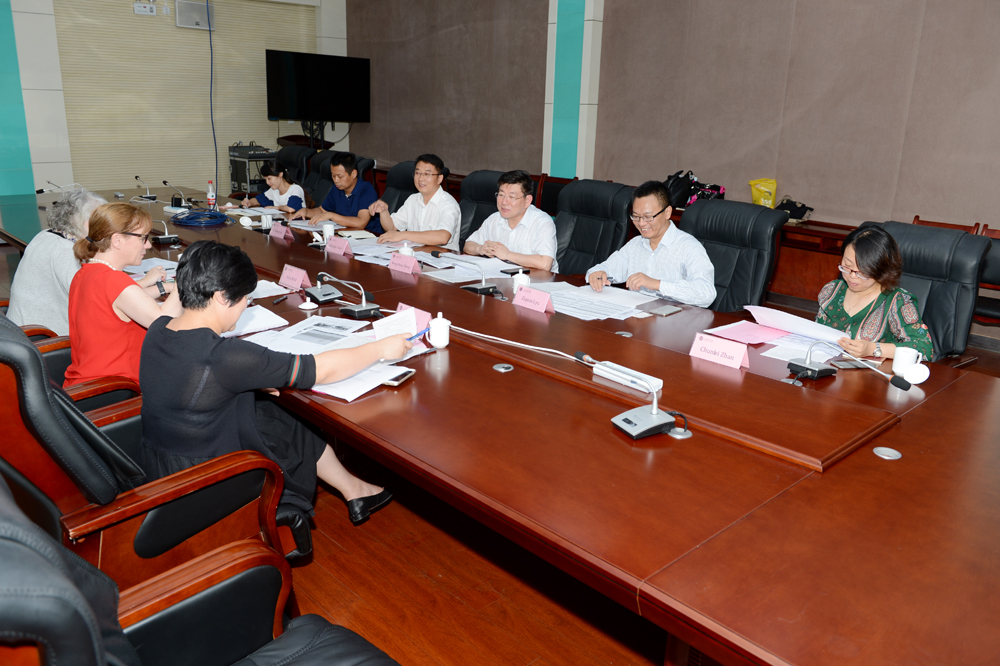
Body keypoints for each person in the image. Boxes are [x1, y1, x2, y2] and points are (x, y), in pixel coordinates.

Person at [138, 240, 412, 523]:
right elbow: (320, 370)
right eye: (245, 297)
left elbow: (190, 380)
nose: (245, 305)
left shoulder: (159, 328)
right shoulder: (225, 356)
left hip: (164, 469)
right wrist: (380, 349)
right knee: (281, 416)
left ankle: (354, 490)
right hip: (210, 483)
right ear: (221, 297)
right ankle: (351, 490)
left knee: (273, 412)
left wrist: (248, 379)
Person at [63, 202, 182, 387]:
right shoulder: (114, 280)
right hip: (117, 391)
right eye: (143, 238)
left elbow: (122, 300)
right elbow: (166, 324)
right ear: (117, 240)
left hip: (86, 385)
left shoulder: (86, 273)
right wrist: (185, 280)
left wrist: (166, 288)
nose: (148, 245)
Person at [586, 180, 716, 307]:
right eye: (636, 216)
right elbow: (605, 268)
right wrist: (597, 274)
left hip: (675, 318)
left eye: (648, 217)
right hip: (636, 316)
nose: (641, 223)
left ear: (667, 212)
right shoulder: (635, 244)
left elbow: (707, 293)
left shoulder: (689, 247)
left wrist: (657, 284)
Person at [817, 225, 933, 360]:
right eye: (847, 266)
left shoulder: (898, 302)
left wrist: (873, 349)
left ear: (881, 269)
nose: (852, 276)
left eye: (863, 271)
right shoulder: (831, 291)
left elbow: (924, 348)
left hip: (869, 373)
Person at [7, 189, 106, 335]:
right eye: (99, 221)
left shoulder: (44, 235)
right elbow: (95, 301)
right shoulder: (68, 252)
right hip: (44, 338)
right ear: (80, 221)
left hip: (19, 331)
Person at [463, 170, 558, 272]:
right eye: (501, 195)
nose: (504, 202)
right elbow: (468, 245)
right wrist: (481, 248)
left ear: (527, 201)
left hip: (536, 280)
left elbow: (545, 264)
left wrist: (507, 254)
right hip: (502, 277)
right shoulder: (494, 219)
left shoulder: (542, 223)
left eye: (512, 197)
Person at [368, 154, 461, 251]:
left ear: (439, 179)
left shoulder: (449, 204)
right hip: (415, 254)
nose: (421, 179)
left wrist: (403, 235)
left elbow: (443, 237)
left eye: (427, 174)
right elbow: (392, 228)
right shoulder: (412, 199)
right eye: (417, 173)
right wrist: (384, 212)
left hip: (441, 257)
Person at [289, 152, 380, 233]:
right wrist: (306, 211)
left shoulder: (367, 191)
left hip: (368, 237)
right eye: (333, 176)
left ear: (353, 174)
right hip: (345, 234)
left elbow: (361, 223)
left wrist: (331, 216)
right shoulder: (337, 189)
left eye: (340, 176)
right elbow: (322, 210)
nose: (336, 180)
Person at [240, 161, 307, 213]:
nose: (267, 182)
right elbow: (258, 200)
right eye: (265, 179)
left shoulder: (295, 189)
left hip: (297, 224)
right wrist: (249, 203)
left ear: (280, 174)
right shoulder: (274, 190)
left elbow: (291, 209)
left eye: (269, 178)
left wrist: (276, 207)